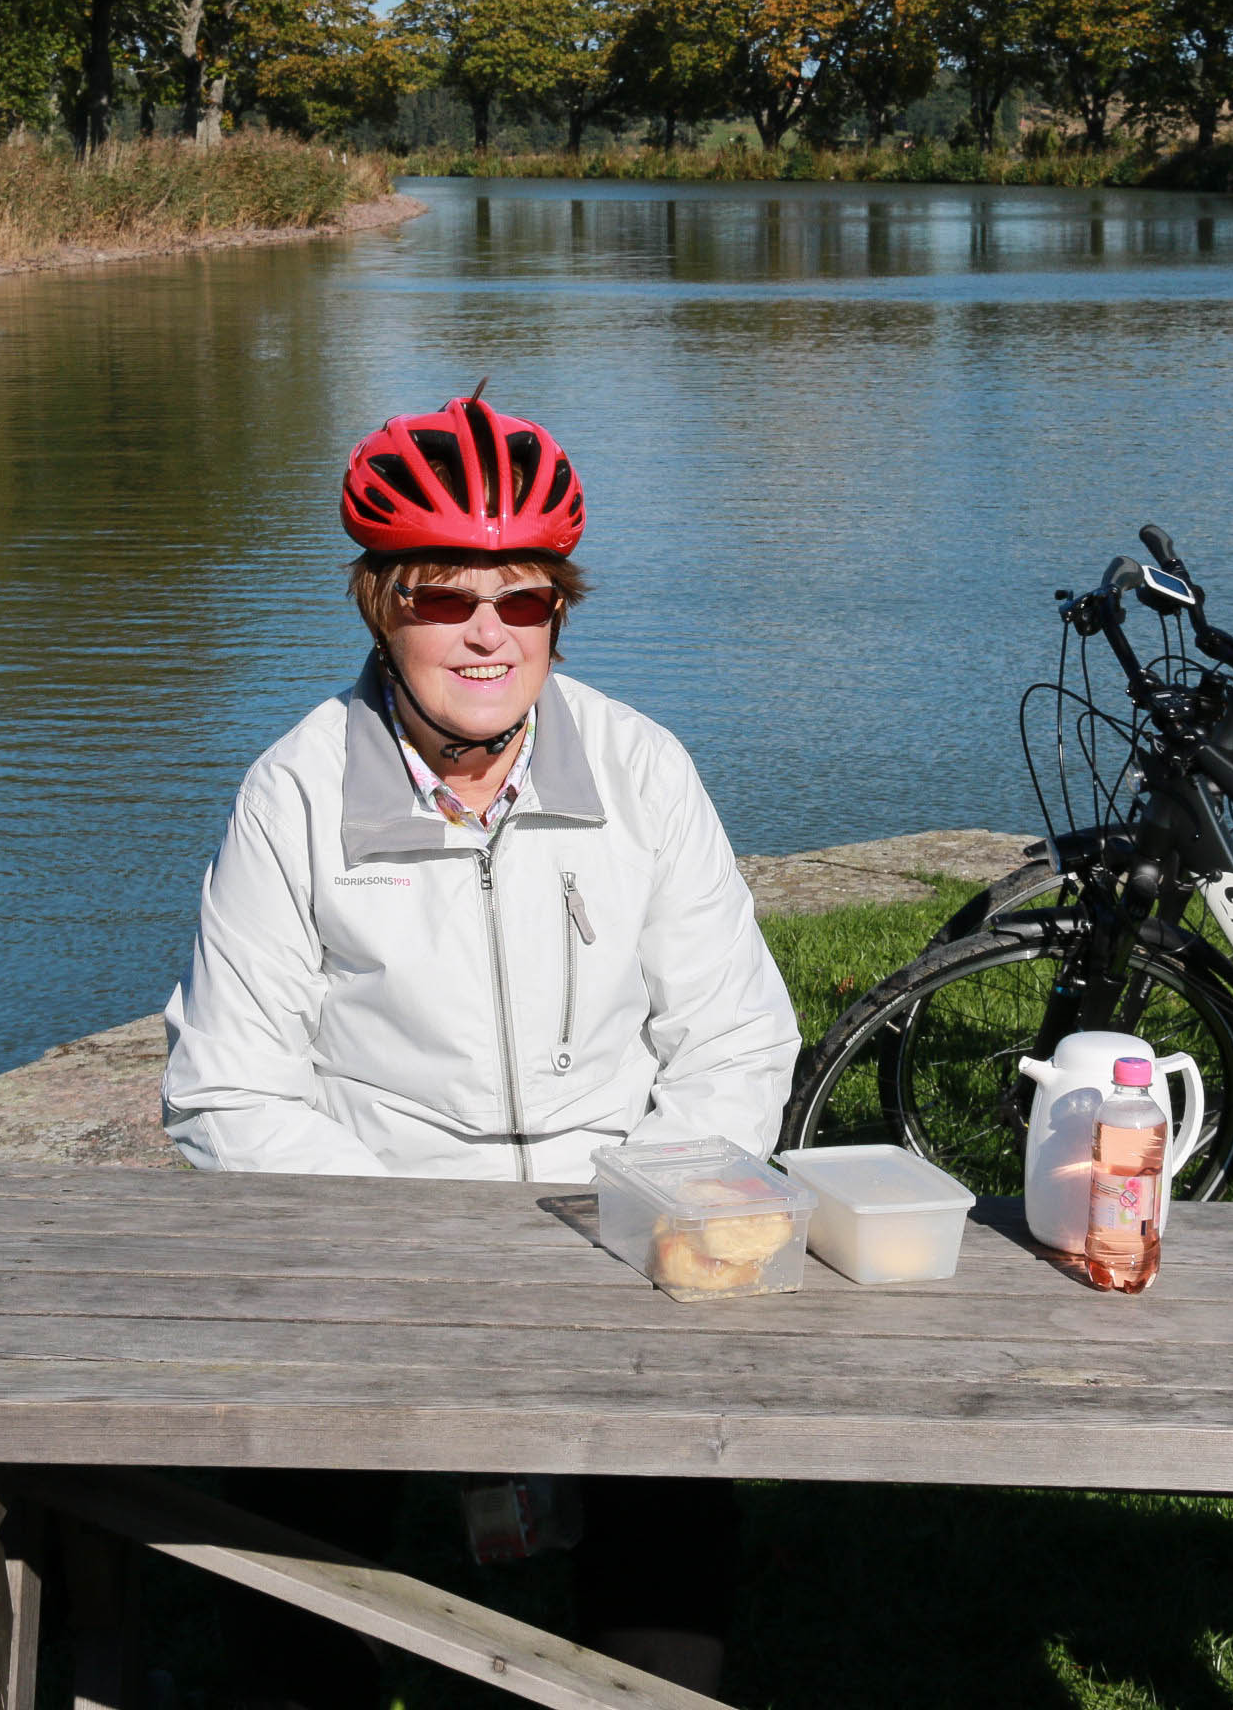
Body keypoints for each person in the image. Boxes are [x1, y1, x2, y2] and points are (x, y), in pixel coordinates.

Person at [161, 387, 799, 1706]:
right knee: (286, 1547)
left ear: (561, 610)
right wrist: (422, 1248)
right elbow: (228, 1087)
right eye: (443, 597)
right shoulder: (295, 791)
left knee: (670, 1534)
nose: (487, 632)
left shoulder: (641, 769)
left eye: (525, 598)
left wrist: (646, 1210)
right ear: (379, 606)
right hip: (374, 1239)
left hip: (620, 1231)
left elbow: (734, 1033)